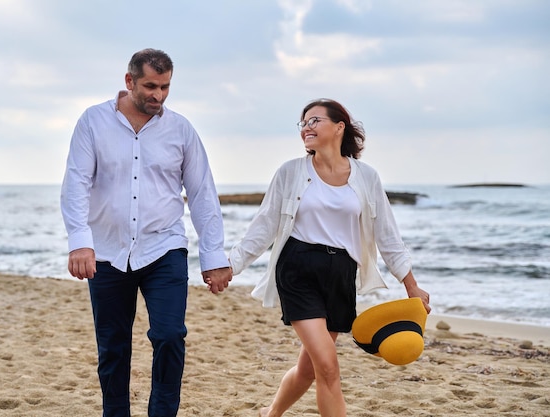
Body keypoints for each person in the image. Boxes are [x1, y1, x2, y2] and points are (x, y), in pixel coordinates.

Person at [228, 98, 431, 417]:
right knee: (328, 366)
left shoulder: (366, 176)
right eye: (303, 123)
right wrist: (231, 266)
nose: (306, 128)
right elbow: (264, 225)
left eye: (314, 121)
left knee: (310, 369)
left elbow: (387, 233)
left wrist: (411, 285)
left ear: (339, 128)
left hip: (340, 276)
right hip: (298, 270)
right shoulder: (291, 171)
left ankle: (271, 414)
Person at [60, 48, 232, 417]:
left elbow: (202, 193)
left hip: (164, 248)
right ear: (129, 81)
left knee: (170, 336)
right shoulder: (93, 122)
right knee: (113, 348)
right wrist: (80, 242)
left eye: (165, 87)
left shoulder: (181, 129)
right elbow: (76, 183)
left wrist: (214, 256)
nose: (158, 95)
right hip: (106, 252)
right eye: (150, 86)